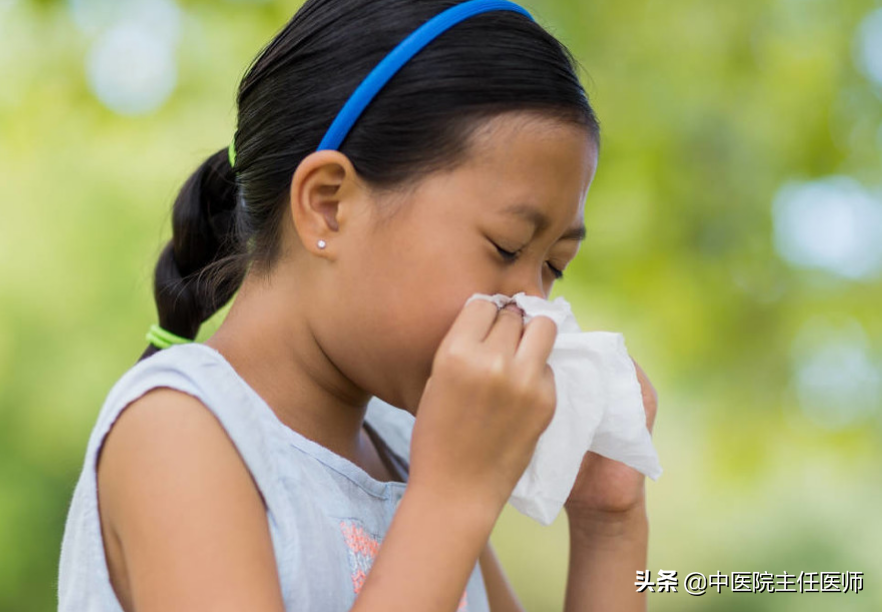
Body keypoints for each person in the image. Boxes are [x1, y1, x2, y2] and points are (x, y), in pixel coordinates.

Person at [57, 0, 659, 610]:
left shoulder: (406, 456)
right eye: (506, 247)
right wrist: (451, 498)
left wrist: (608, 522)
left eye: (553, 266)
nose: (534, 308)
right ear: (329, 206)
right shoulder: (181, 432)